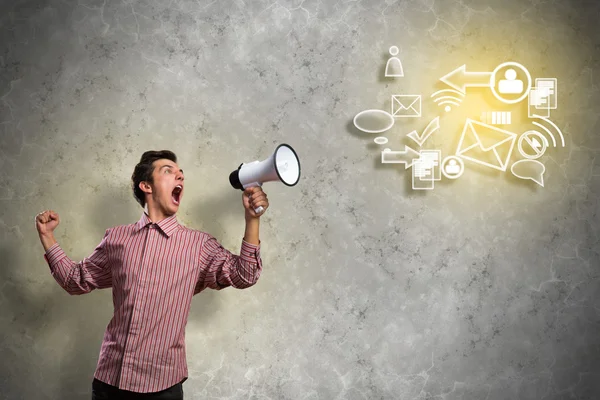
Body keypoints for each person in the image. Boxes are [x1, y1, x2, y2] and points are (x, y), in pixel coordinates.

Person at [35, 150, 269, 400]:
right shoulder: (116, 238)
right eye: (168, 170)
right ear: (146, 185)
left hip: (162, 387)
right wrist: (47, 236)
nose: (179, 175)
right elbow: (75, 280)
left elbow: (246, 275)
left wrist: (251, 219)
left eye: (181, 173)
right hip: (110, 382)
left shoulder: (199, 246)